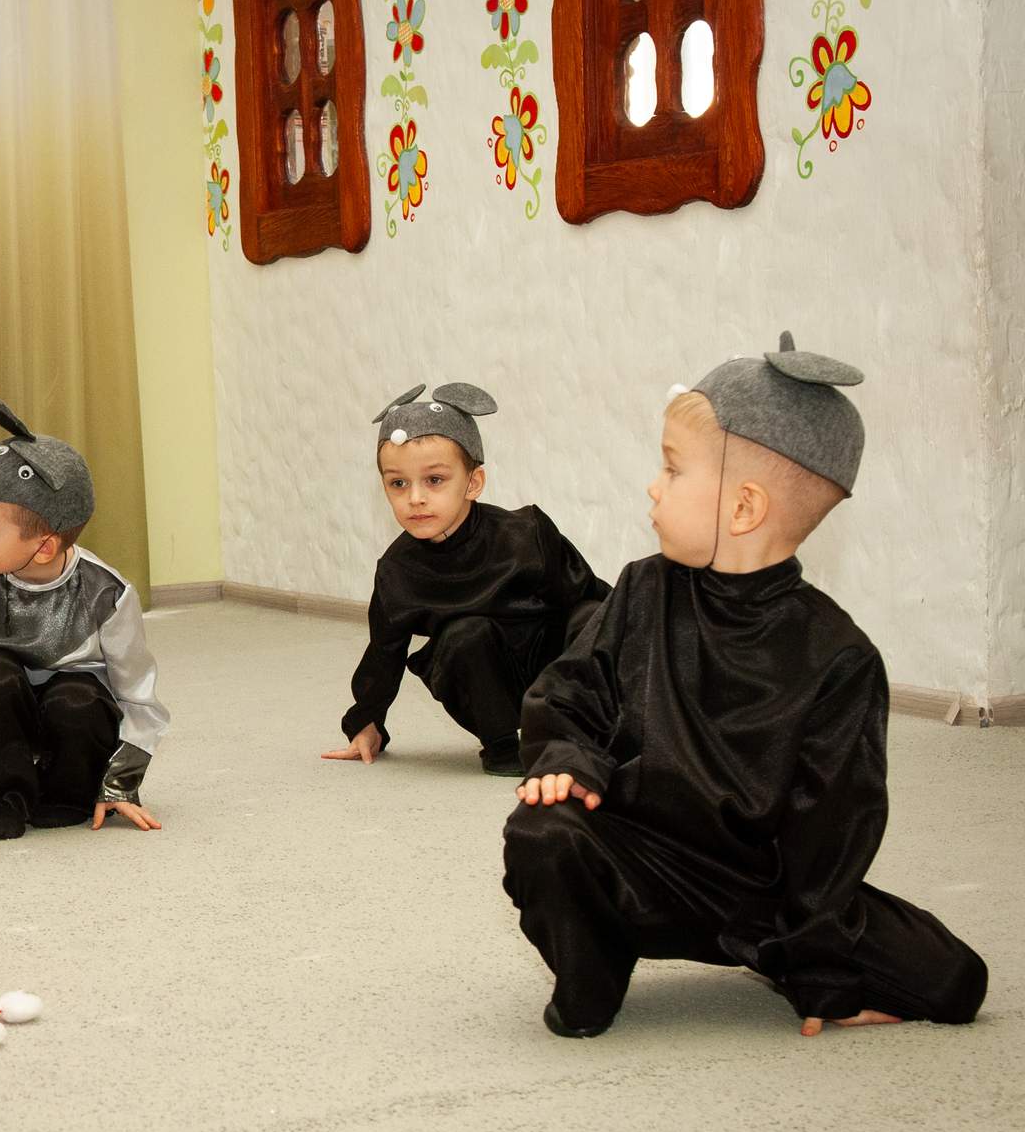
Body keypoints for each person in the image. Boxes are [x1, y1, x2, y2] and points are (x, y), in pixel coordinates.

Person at [503, 335, 988, 1038]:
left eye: (672, 469)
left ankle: (783, 963)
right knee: (542, 833)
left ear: (743, 508)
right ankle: (594, 966)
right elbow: (571, 691)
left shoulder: (840, 658)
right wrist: (567, 759)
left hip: (765, 892)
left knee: (956, 981)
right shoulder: (642, 590)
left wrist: (821, 971)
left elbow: (832, 833)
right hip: (636, 851)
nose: (654, 486)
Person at [0, 398, 169, 842]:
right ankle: (3, 798)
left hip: (74, 729)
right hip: (0, 724)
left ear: (44, 547)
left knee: (78, 699)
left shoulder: (107, 594)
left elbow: (138, 696)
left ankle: (67, 794)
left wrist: (119, 783)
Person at [324, 382, 610, 777]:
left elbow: (596, 602)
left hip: (552, 666)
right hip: (486, 680)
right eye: (398, 483)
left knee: (590, 616)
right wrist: (366, 722)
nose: (415, 498)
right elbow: (384, 653)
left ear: (473, 483)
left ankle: (590, 733)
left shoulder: (525, 535)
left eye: (434, 480)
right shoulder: (398, 571)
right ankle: (501, 746)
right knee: (464, 635)